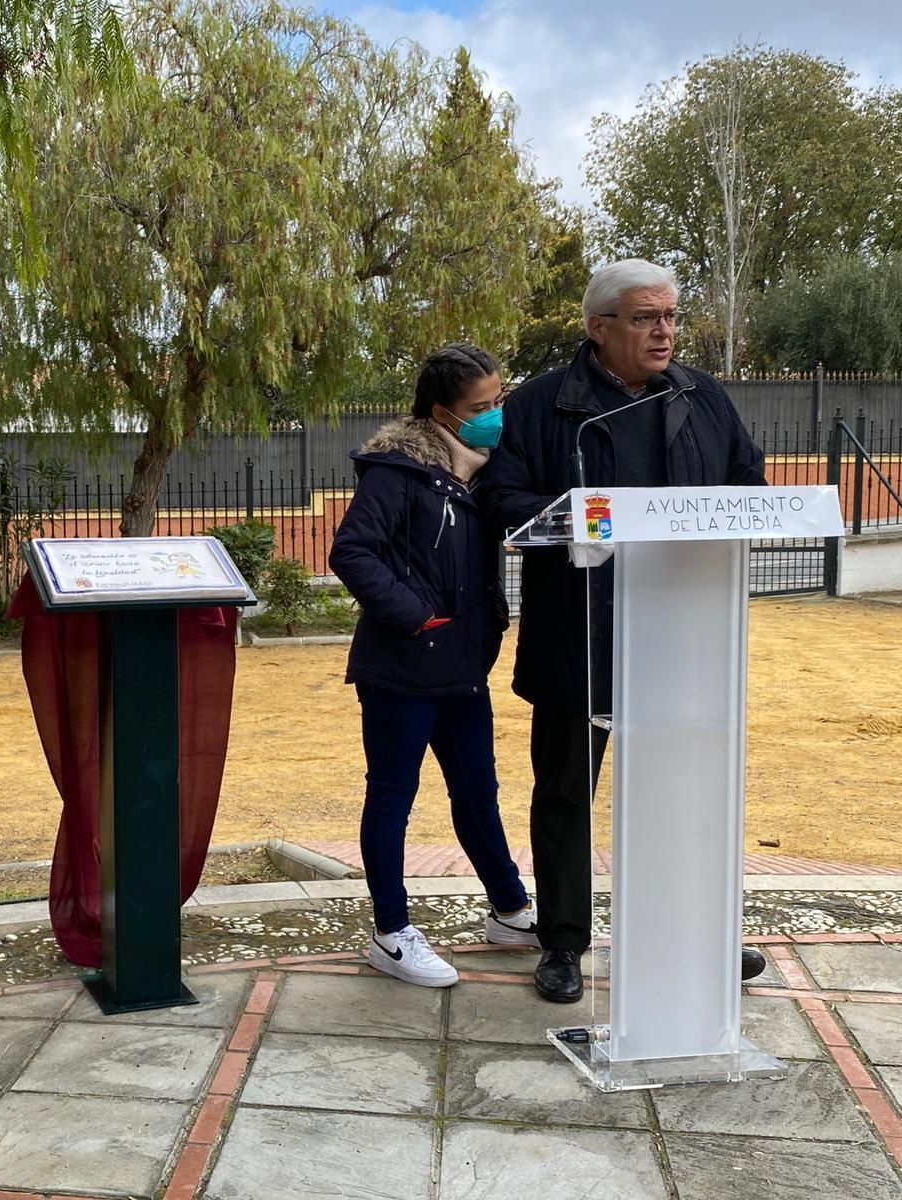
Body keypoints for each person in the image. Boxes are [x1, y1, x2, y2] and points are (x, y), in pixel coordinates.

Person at [477, 259, 770, 1003]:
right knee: (565, 795)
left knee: (684, 792)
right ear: (598, 327)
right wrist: (585, 518)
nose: (664, 331)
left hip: (682, 636)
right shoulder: (544, 405)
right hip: (579, 636)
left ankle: (693, 933)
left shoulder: (701, 396)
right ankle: (564, 944)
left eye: (670, 317)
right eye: (645, 318)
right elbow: (501, 499)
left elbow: (748, 483)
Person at [329, 344, 537, 988]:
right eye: (482, 406)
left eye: (500, 400)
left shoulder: (483, 474)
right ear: (443, 413)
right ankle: (391, 933)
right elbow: (352, 551)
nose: (496, 415)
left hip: (463, 667)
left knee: (478, 793)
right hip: (401, 667)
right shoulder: (399, 472)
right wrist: (415, 615)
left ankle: (509, 910)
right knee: (392, 797)